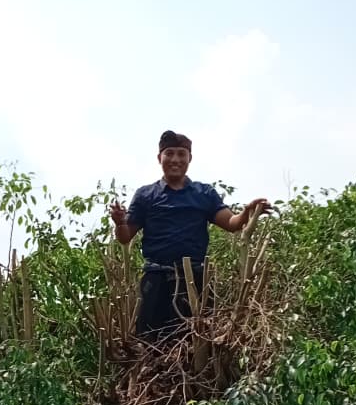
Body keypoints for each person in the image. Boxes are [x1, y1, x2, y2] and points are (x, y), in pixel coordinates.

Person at [110, 130, 271, 338]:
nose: (175, 159)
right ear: (160, 158)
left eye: (181, 154)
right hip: (157, 279)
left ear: (189, 158)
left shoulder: (204, 193)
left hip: (195, 280)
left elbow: (232, 223)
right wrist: (119, 222)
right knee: (151, 344)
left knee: (198, 341)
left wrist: (247, 213)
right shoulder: (145, 195)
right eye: (169, 153)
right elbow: (124, 236)